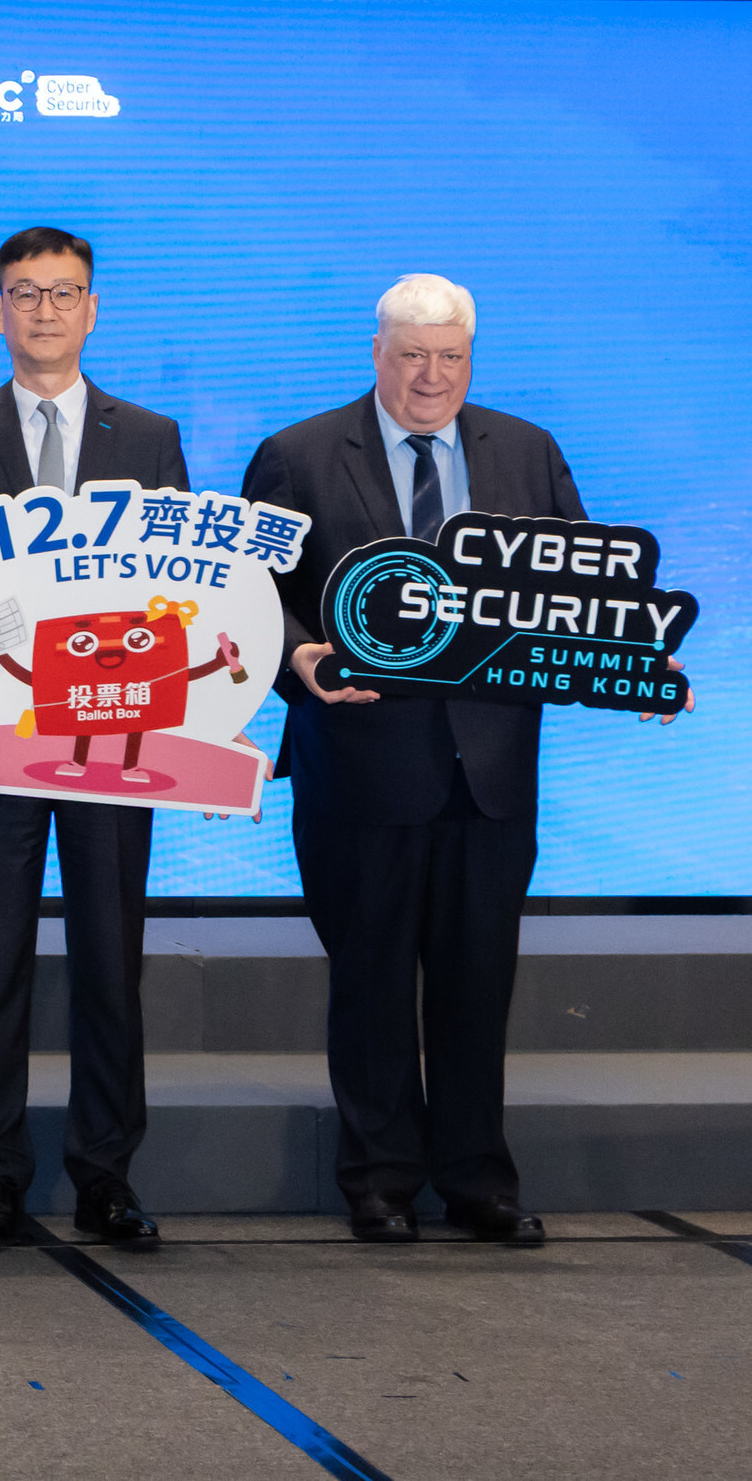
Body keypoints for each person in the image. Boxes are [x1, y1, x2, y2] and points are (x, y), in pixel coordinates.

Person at [242, 274, 683, 1244]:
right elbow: (247, 598)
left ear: (469, 360)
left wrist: (643, 666)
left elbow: (585, 591)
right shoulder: (300, 454)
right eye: (411, 354)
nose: (430, 375)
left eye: (449, 356)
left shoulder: (525, 451)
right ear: (378, 354)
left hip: (489, 770)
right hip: (357, 762)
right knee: (370, 981)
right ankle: (380, 1178)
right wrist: (299, 653)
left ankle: (477, 1179)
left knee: (480, 980)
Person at [0, 226, 184, 1250]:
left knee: (112, 961)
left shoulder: (148, 436)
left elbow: (181, 593)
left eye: (64, 294)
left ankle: (107, 1174)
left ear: (93, 308)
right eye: (26, 294)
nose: (46, 312)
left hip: (116, 744)